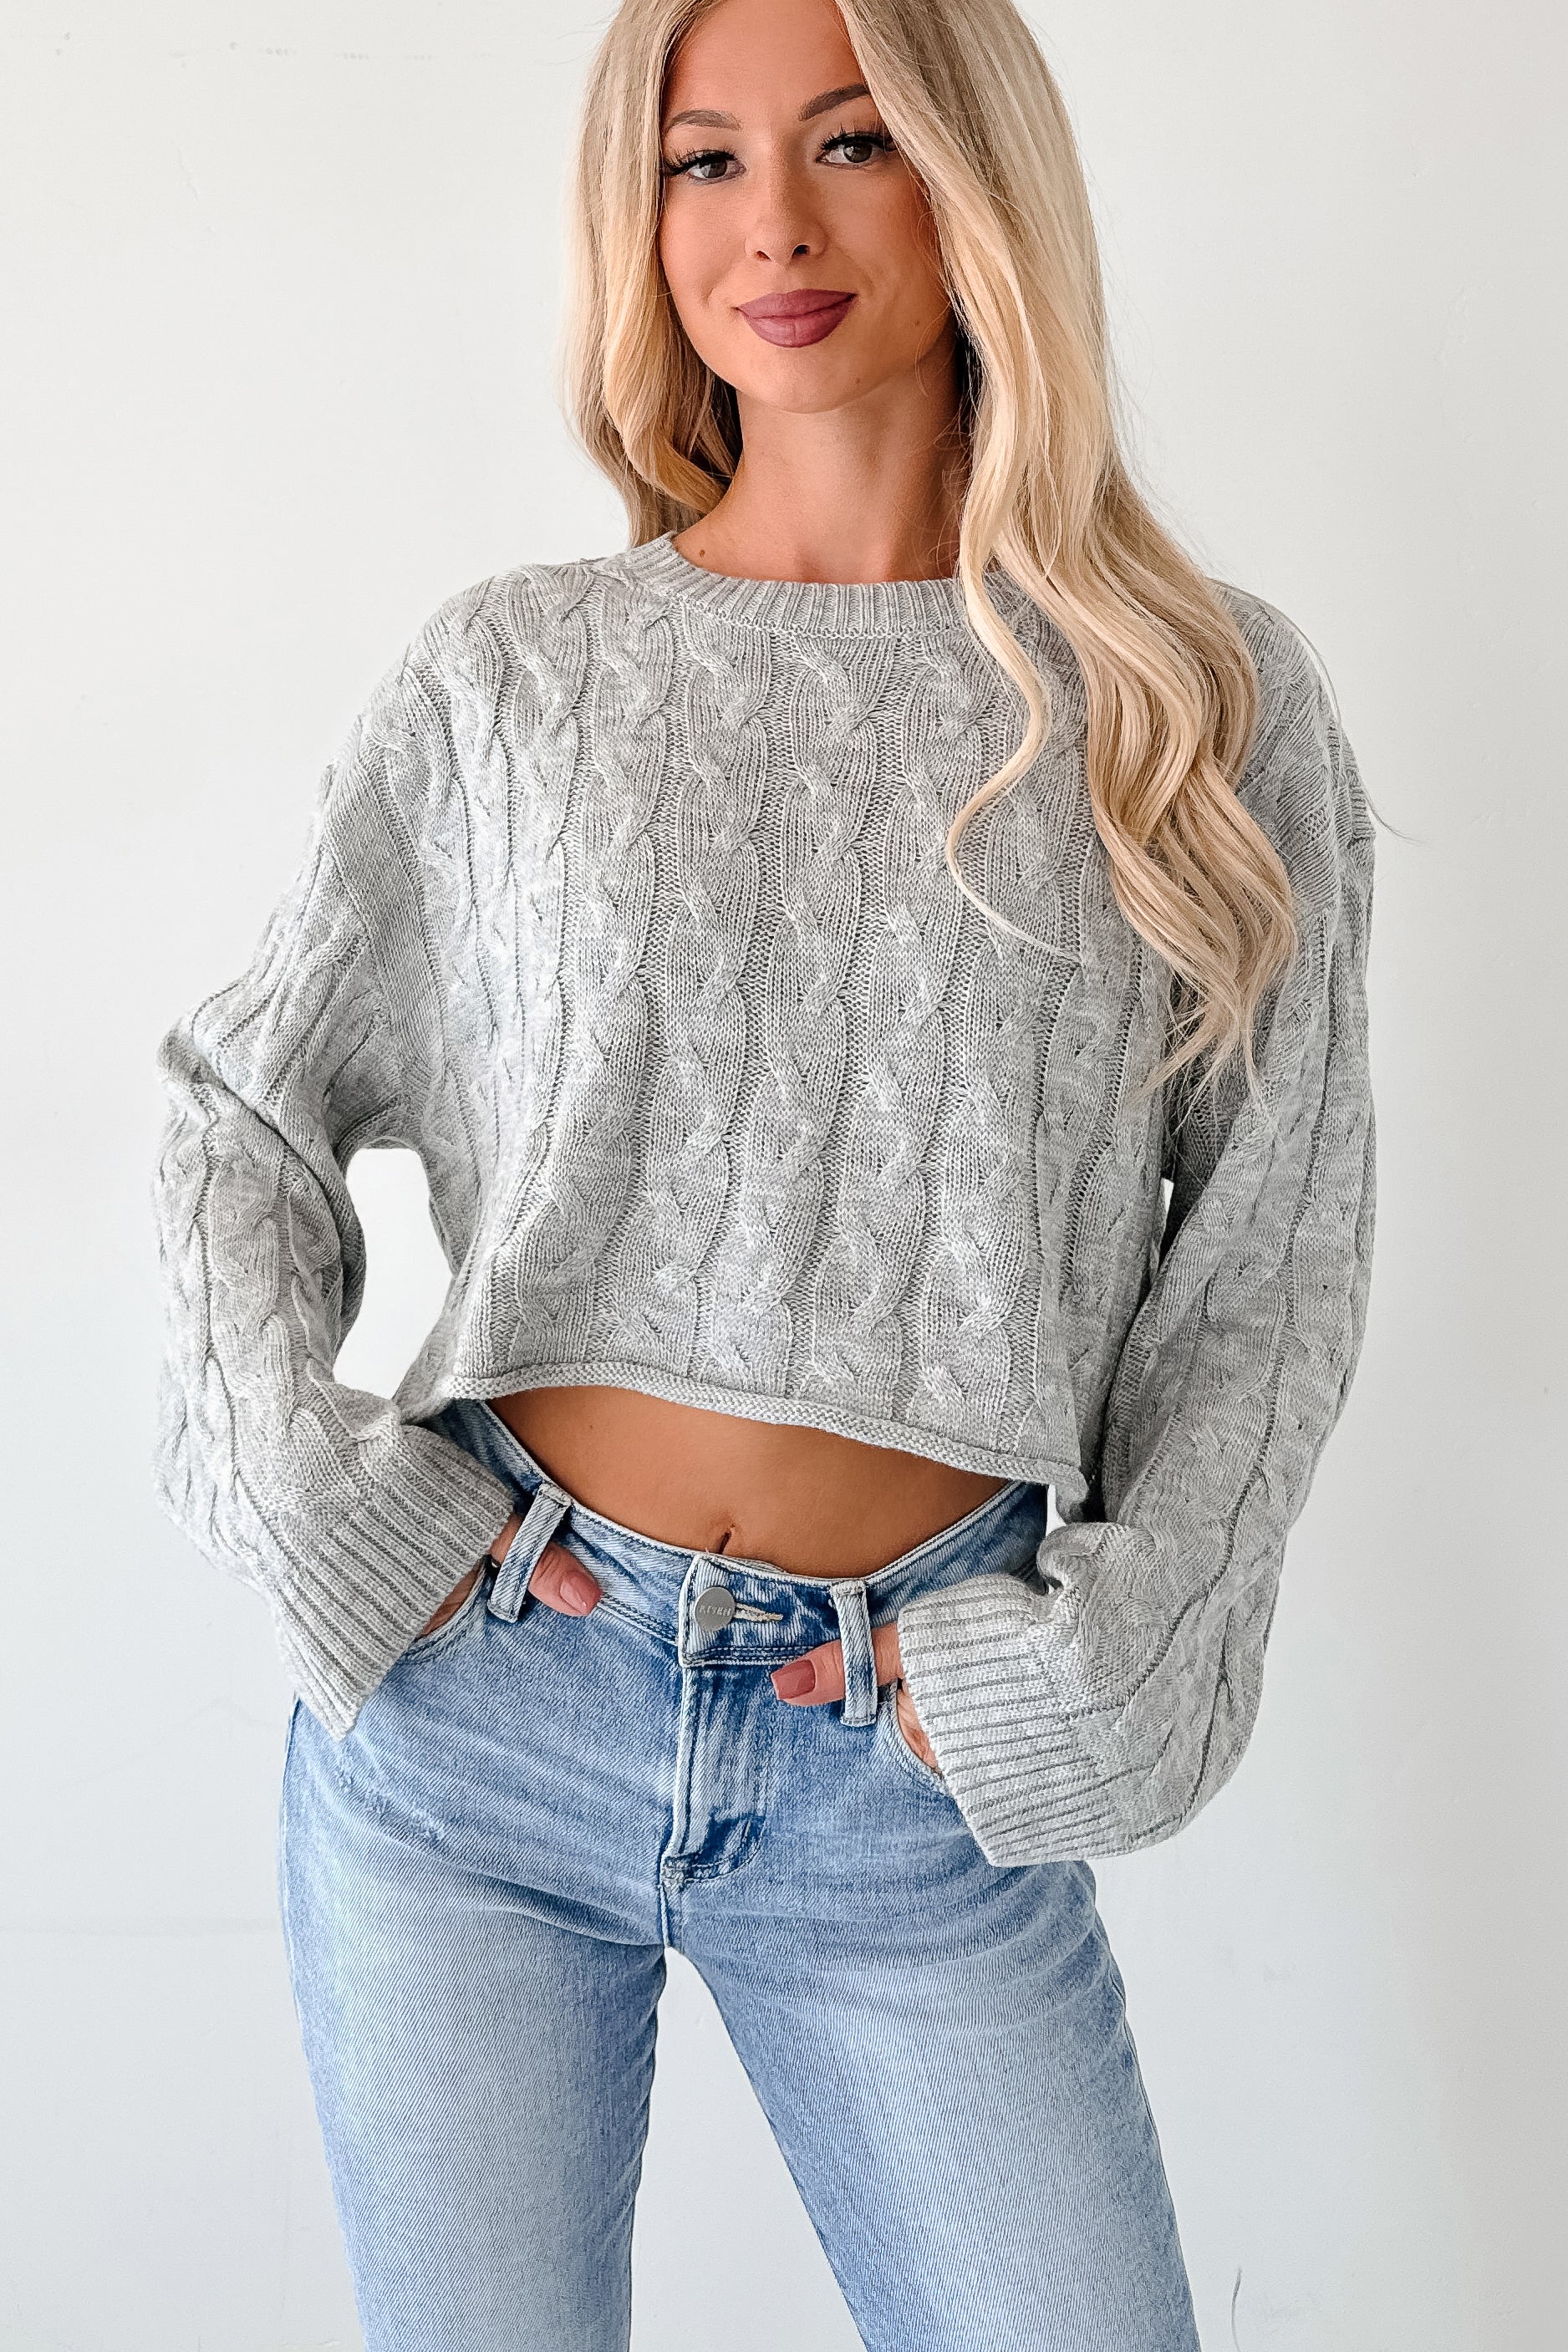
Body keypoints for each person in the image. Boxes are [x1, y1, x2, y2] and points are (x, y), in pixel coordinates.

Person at [150, 0, 1377, 2344]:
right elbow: (238, 1111)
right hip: (478, 1722)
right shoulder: (515, 677)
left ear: (974, 176)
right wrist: (328, 1511)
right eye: (699, 161)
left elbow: (1269, 1263)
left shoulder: (1191, 703)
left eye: (850, 140)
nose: (773, 227)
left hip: (906, 1760)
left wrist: (1103, 1664)